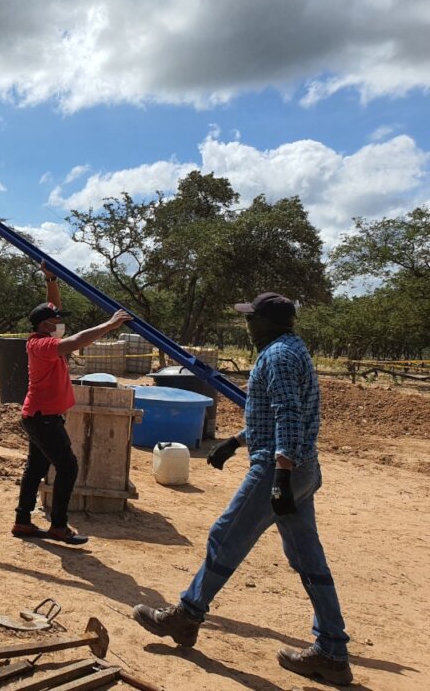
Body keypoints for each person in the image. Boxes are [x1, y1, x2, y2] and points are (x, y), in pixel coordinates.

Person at [132, 292, 352, 686]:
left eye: (252, 318)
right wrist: (235, 441)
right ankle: (332, 651)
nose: (246, 324)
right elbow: (276, 414)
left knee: (225, 535)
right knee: (308, 559)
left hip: (277, 468)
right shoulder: (291, 348)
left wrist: (280, 474)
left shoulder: (278, 356)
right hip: (303, 467)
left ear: (270, 321)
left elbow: (288, 414)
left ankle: (186, 615)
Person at [12, 262, 132, 544]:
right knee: (68, 467)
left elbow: (52, 306)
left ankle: (23, 522)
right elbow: (77, 341)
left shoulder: (46, 335)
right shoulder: (41, 345)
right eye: (55, 322)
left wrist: (51, 279)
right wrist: (111, 324)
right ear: (45, 326)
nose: (60, 325)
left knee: (37, 468)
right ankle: (58, 526)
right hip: (43, 418)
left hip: (40, 416)